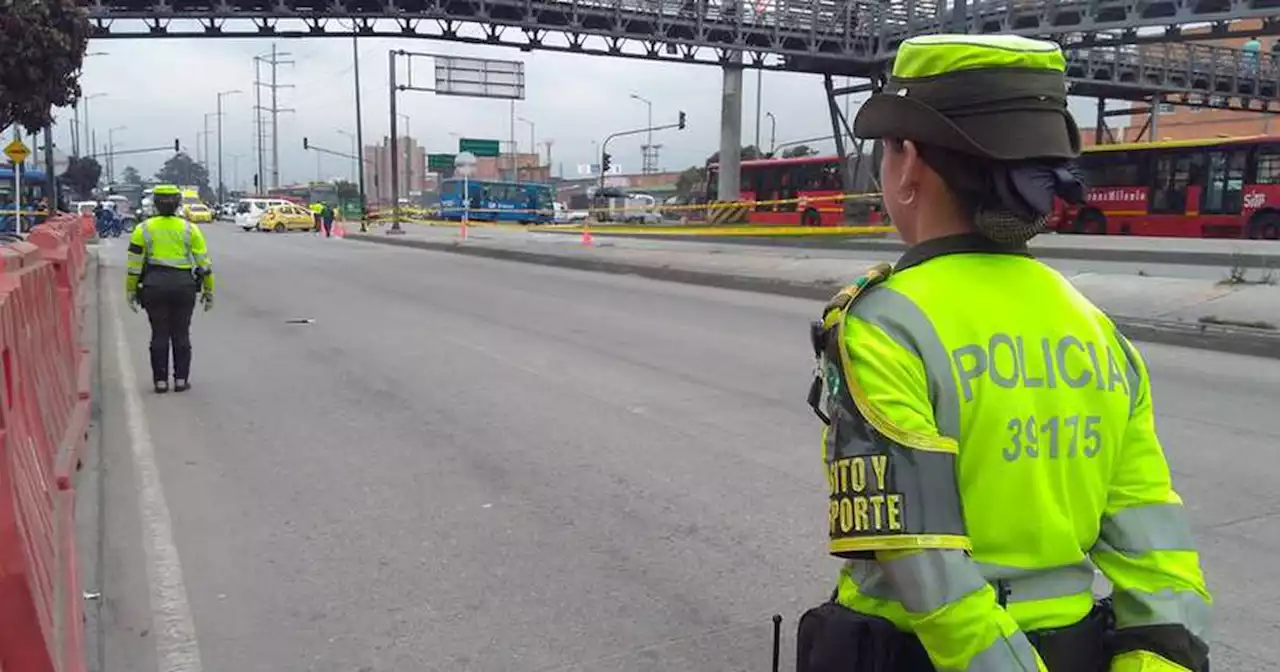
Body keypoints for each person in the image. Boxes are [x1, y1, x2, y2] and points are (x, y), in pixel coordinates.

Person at [798, 34, 1210, 672]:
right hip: (1075, 646)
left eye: (884, 151)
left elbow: (924, 566)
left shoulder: (883, 324)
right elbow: (1154, 540)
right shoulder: (1095, 327)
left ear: (908, 164)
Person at [126, 184, 215, 393]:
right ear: (178, 204)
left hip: (153, 285)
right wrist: (208, 290)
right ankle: (181, 380)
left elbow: (133, 265)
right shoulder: (189, 229)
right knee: (181, 333)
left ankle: (160, 381)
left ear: (155, 204)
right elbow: (204, 265)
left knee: (159, 334)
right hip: (183, 285)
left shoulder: (143, 229)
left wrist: (130, 290)